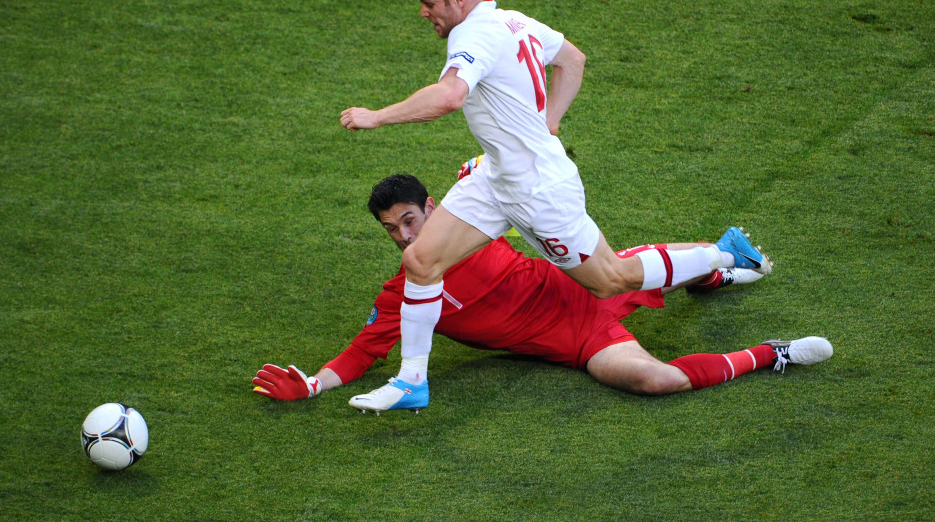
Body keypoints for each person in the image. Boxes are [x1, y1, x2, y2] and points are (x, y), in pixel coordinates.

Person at [339, 0, 773, 413]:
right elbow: (573, 59)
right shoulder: (513, 21)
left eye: (429, 3)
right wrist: (550, 123)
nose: (423, 13)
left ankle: (724, 252)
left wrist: (376, 117)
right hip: (496, 175)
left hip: (537, 190)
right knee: (422, 263)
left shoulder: (473, 34)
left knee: (611, 279)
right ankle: (411, 382)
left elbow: (449, 97)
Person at [252, 174, 833, 412]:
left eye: (411, 220)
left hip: (579, 280)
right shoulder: (401, 294)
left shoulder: (474, 217)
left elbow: (513, 176)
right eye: (393, 230)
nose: (406, 236)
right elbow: (361, 353)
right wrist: (310, 384)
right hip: (579, 339)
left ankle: (714, 271)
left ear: (432, 208)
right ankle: (772, 354)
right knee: (656, 381)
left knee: (649, 268)